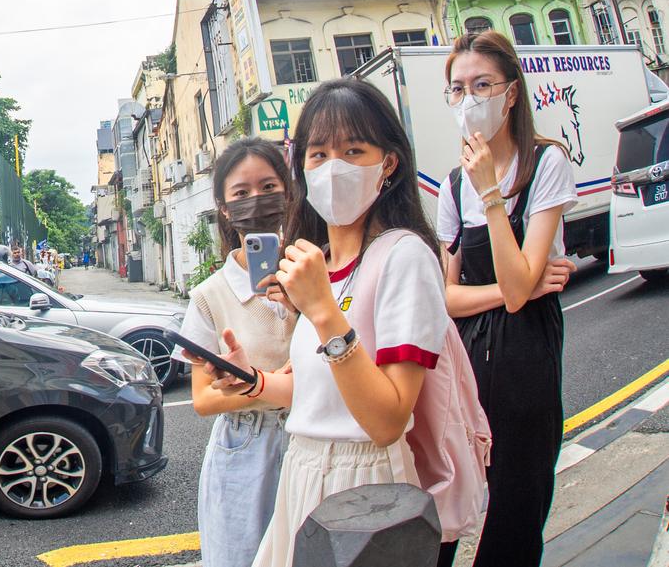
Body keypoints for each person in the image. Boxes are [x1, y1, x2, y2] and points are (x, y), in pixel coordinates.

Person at [199, 79, 452, 567]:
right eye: (317, 154)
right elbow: (313, 396)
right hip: (301, 471)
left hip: (363, 485)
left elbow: (386, 420)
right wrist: (248, 379)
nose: (333, 167)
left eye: (353, 150)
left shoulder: (403, 256)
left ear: (389, 163)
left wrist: (321, 312)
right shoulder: (321, 265)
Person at [437, 30, 576, 567]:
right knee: (454, 486)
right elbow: (451, 297)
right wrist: (510, 288)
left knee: (519, 497)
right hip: (468, 356)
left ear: (510, 93)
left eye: (482, 85)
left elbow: (523, 298)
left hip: (525, 354)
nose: (468, 100)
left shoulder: (546, 163)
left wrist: (493, 192)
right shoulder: (451, 187)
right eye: (457, 89)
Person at [171, 137, 296, 567]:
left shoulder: (316, 271)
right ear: (224, 208)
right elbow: (204, 401)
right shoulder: (210, 294)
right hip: (245, 448)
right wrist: (271, 387)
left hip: (311, 442)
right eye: (241, 194)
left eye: (268, 187)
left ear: (288, 192)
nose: (255, 201)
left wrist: (299, 306)